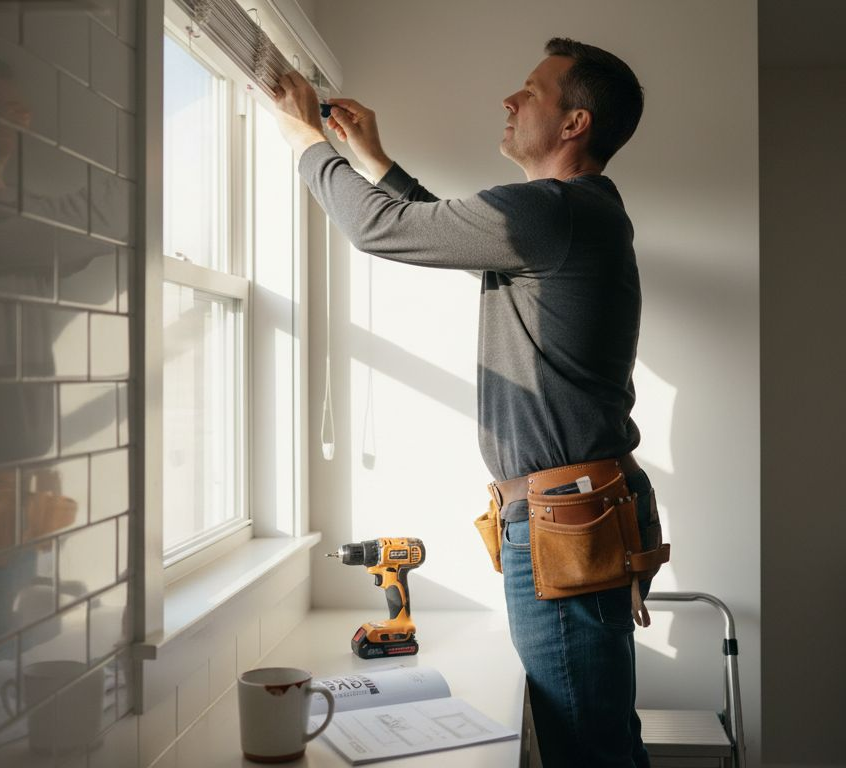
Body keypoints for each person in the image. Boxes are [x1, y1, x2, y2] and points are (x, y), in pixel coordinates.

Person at [272, 38, 656, 767]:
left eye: (532, 92)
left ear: (574, 124)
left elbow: (382, 229)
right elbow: (443, 226)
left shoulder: (555, 211)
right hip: (567, 517)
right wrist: (374, 161)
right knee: (595, 740)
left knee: (587, 752)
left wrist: (304, 140)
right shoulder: (567, 216)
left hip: (560, 525)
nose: (510, 102)